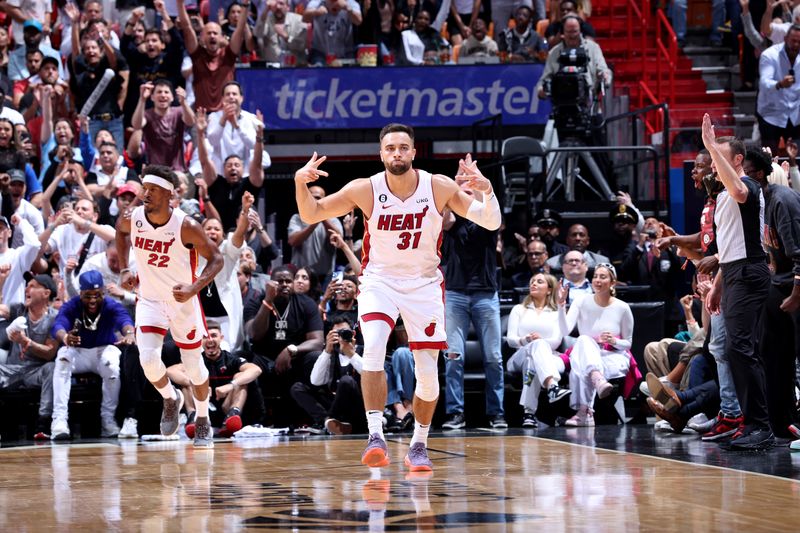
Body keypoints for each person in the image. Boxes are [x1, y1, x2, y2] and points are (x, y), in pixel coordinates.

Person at [293, 123, 501, 472]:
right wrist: (301, 183)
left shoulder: (438, 185)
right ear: (381, 154)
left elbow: (489, 222)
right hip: (380, 282)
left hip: (424, 285)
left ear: (414, 152)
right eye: (390, 148)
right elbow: (311, 213)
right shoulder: (365, 189)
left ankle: (419, 444)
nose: (397, 154)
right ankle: (376, 436)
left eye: (403, 148)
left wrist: (488, 191)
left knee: (428, 373)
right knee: (372, 346)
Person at [115, 165, 224, 448]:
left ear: (168, 194)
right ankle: (170, 398)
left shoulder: (186, 225)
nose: (145, 194)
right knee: (148, 360)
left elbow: (217, 259)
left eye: (152, 190)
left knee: (194, 366)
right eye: (144, 189)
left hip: (182, 303)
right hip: (149, 298)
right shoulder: (134, 217)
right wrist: (126, 269)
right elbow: (120, 231)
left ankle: (202, 418)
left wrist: (194, 287)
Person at [702, 116, 773, 450]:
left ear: (737, 161)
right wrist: (718, 284)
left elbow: (740, 189)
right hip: (732, 272)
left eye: (719, 155)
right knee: (735, 349)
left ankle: (760, 425)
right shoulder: (722, 198)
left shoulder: (747, 188)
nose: (713, 161)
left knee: (740, 348)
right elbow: (728, 246)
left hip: (750, 272)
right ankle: (748, 422)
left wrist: (710, 146)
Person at [743, 148, 800, 441]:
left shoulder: (783, 200)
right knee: (773, 356)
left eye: (749, 174)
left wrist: (795, 292)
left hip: (795, 287)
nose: (745, 179)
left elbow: (799, 253)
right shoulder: (760, 202)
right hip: (778, 286)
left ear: (762, 174)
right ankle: (783, 424)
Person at [440, 203, 505, 430]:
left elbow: (491, 208)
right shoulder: (451, 220)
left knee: (494, 358)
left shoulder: (487, 219)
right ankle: (455, 413)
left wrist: (479, 188)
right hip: (455, 292)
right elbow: (445, 219)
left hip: (485, 294)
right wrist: (452, 192)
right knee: (453, 357)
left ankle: (496, 413)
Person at [49, 271, 135, 440]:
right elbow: (58, 324)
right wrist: (65, 337)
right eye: (88, 296)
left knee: (112, 363)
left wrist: (130, 333)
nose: (93, 300)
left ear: (103, 291)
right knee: (62, 358)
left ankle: (107, 419)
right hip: (78, 352)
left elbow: (124, 319)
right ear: (80, 293)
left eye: (97, 295)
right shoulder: (72, 305)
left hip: (102, 351)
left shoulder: (110, 305)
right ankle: (59, 420)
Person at [563, 264, 634, 426]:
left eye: (603, 277)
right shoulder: (581, 301)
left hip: (613, 355)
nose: (597, 280)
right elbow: (565, 329)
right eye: (595, 276)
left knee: (581, 364)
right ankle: (597, 379)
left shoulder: (622, 307)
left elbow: (628, 343)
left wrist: (614, 341)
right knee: (583, 341)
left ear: (612, 283)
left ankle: (584, 412)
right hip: (589, 354)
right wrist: (561, 305)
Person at [505, 273, 570, 428]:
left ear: (549, 290)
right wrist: (527, 340)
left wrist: (539, 342)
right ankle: (552, 386)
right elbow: (510, 340)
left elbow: (556, 341)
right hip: (519, 355)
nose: (533, 284)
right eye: (532, 281)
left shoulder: (556, 313)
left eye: (539, 282)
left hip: (549, 357)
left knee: (532, 361)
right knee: (533, 350)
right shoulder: (519, 309)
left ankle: (529, 414)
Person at [0, 272, 59, 439]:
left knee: (52, 368)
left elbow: (50, 353)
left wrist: (26, 342)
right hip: (13, 370)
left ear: (46, 293)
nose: (27, 288)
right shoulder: (18, 309)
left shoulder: (54, 318)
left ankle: (43, 423)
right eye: (27, 285)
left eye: (33, 286)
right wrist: (2, 280)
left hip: (36, 371)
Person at [179, 321, 263, 438]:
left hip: (226, 407)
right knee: (186, 378)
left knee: (240, 377)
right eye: (205, 337)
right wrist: (198, 385)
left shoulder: (231, 358)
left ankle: (233, 415)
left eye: (213, 335)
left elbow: (256, 370)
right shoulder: (196, 360)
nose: (210, 340)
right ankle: (193, 417)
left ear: (221, 338)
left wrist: (231, 385)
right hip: (203, 409)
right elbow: (171, 371)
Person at [291, 315, 366, 434]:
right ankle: (327, 422)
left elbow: (370, 374)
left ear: (353, 333)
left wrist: (350, 353)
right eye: (337, 333)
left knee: (346, 380)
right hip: (334, 403)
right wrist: (327, 350)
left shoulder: (363, 350)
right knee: (298, 388)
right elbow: (316, 381)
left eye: (344, 332)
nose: (341, 336)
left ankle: (331, 422)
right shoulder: (331, 354)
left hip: (359, 405)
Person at [536, 15, 611, 101]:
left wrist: (604, 76)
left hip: (588, 102)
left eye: (575, 31)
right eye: (569, 32)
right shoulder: (554, 52)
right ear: (562, 33)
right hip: (561, 103)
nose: (572, 36)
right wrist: (541, 90)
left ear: (580, 31)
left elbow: (604, 70)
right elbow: (543, 80)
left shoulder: (593, 48)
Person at [756, 25, 800, 154]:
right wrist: (780, 84)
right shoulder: (769, 55)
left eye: (799, 42)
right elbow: (764, 83)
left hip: (796, 114)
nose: (796, 45)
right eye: (793, 41)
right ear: (785, 39)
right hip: (771, 114)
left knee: (797, 159)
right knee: (769, 160)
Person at [287, 185, 343, 280]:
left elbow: (339, 241)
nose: (314, 201)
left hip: (326, 277)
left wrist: (321, 216)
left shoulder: (333, 220)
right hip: (301, 276)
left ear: (325, 200)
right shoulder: (297, 218)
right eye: (311, 197)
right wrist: (313, 223)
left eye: (317, 198)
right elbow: (292, 241)